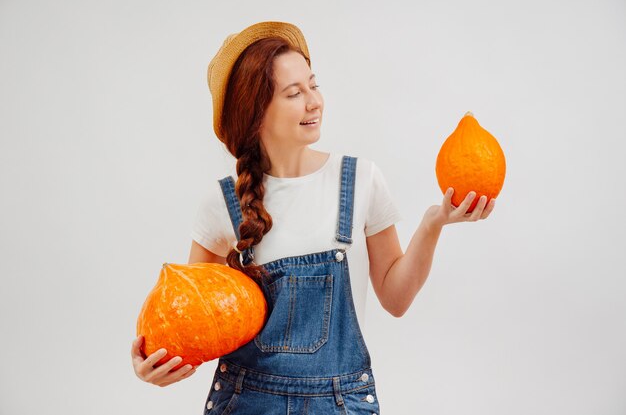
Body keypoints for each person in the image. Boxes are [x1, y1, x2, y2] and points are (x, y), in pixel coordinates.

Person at [131, 21, 495, 413]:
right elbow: (191, 324)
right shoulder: (223, 202)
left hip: (340, 403)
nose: (314, 101)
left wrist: (432, 224)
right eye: (294, 93)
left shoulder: (360, 181)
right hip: (248, 404)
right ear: (256, 113)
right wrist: (152, 365)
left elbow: (396, 298)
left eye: (313, 85)